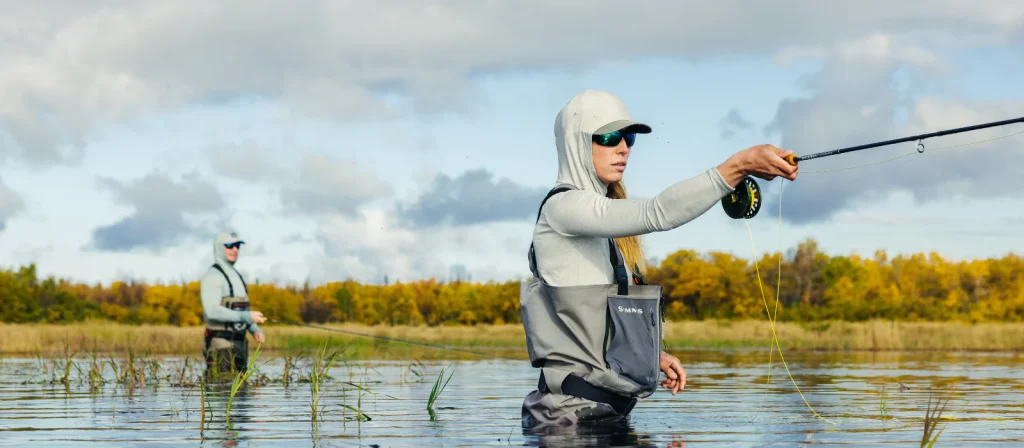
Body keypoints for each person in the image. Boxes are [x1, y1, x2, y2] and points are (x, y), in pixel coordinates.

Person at [520, 90, 798, 428]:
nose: (623, 147)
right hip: (566, 424)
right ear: (575, 143)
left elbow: (595, 323)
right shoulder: (562, 209)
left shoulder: (600, 224)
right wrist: (738, 166)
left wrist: (653, 357)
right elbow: (658, 212)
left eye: (629, 137)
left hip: (606, 416)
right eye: (609, 137)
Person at [200, 231, 266, 378]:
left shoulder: (237, 276)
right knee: (222, 392)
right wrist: (247, 316)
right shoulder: (213, 276)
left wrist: (254, 329)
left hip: (240, 346)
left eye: (237, 246)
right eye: (229, 246)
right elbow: (212, 311)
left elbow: (243, 310)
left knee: (241, 394)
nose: (235, 249)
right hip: (220, 346)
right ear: (219, 247)